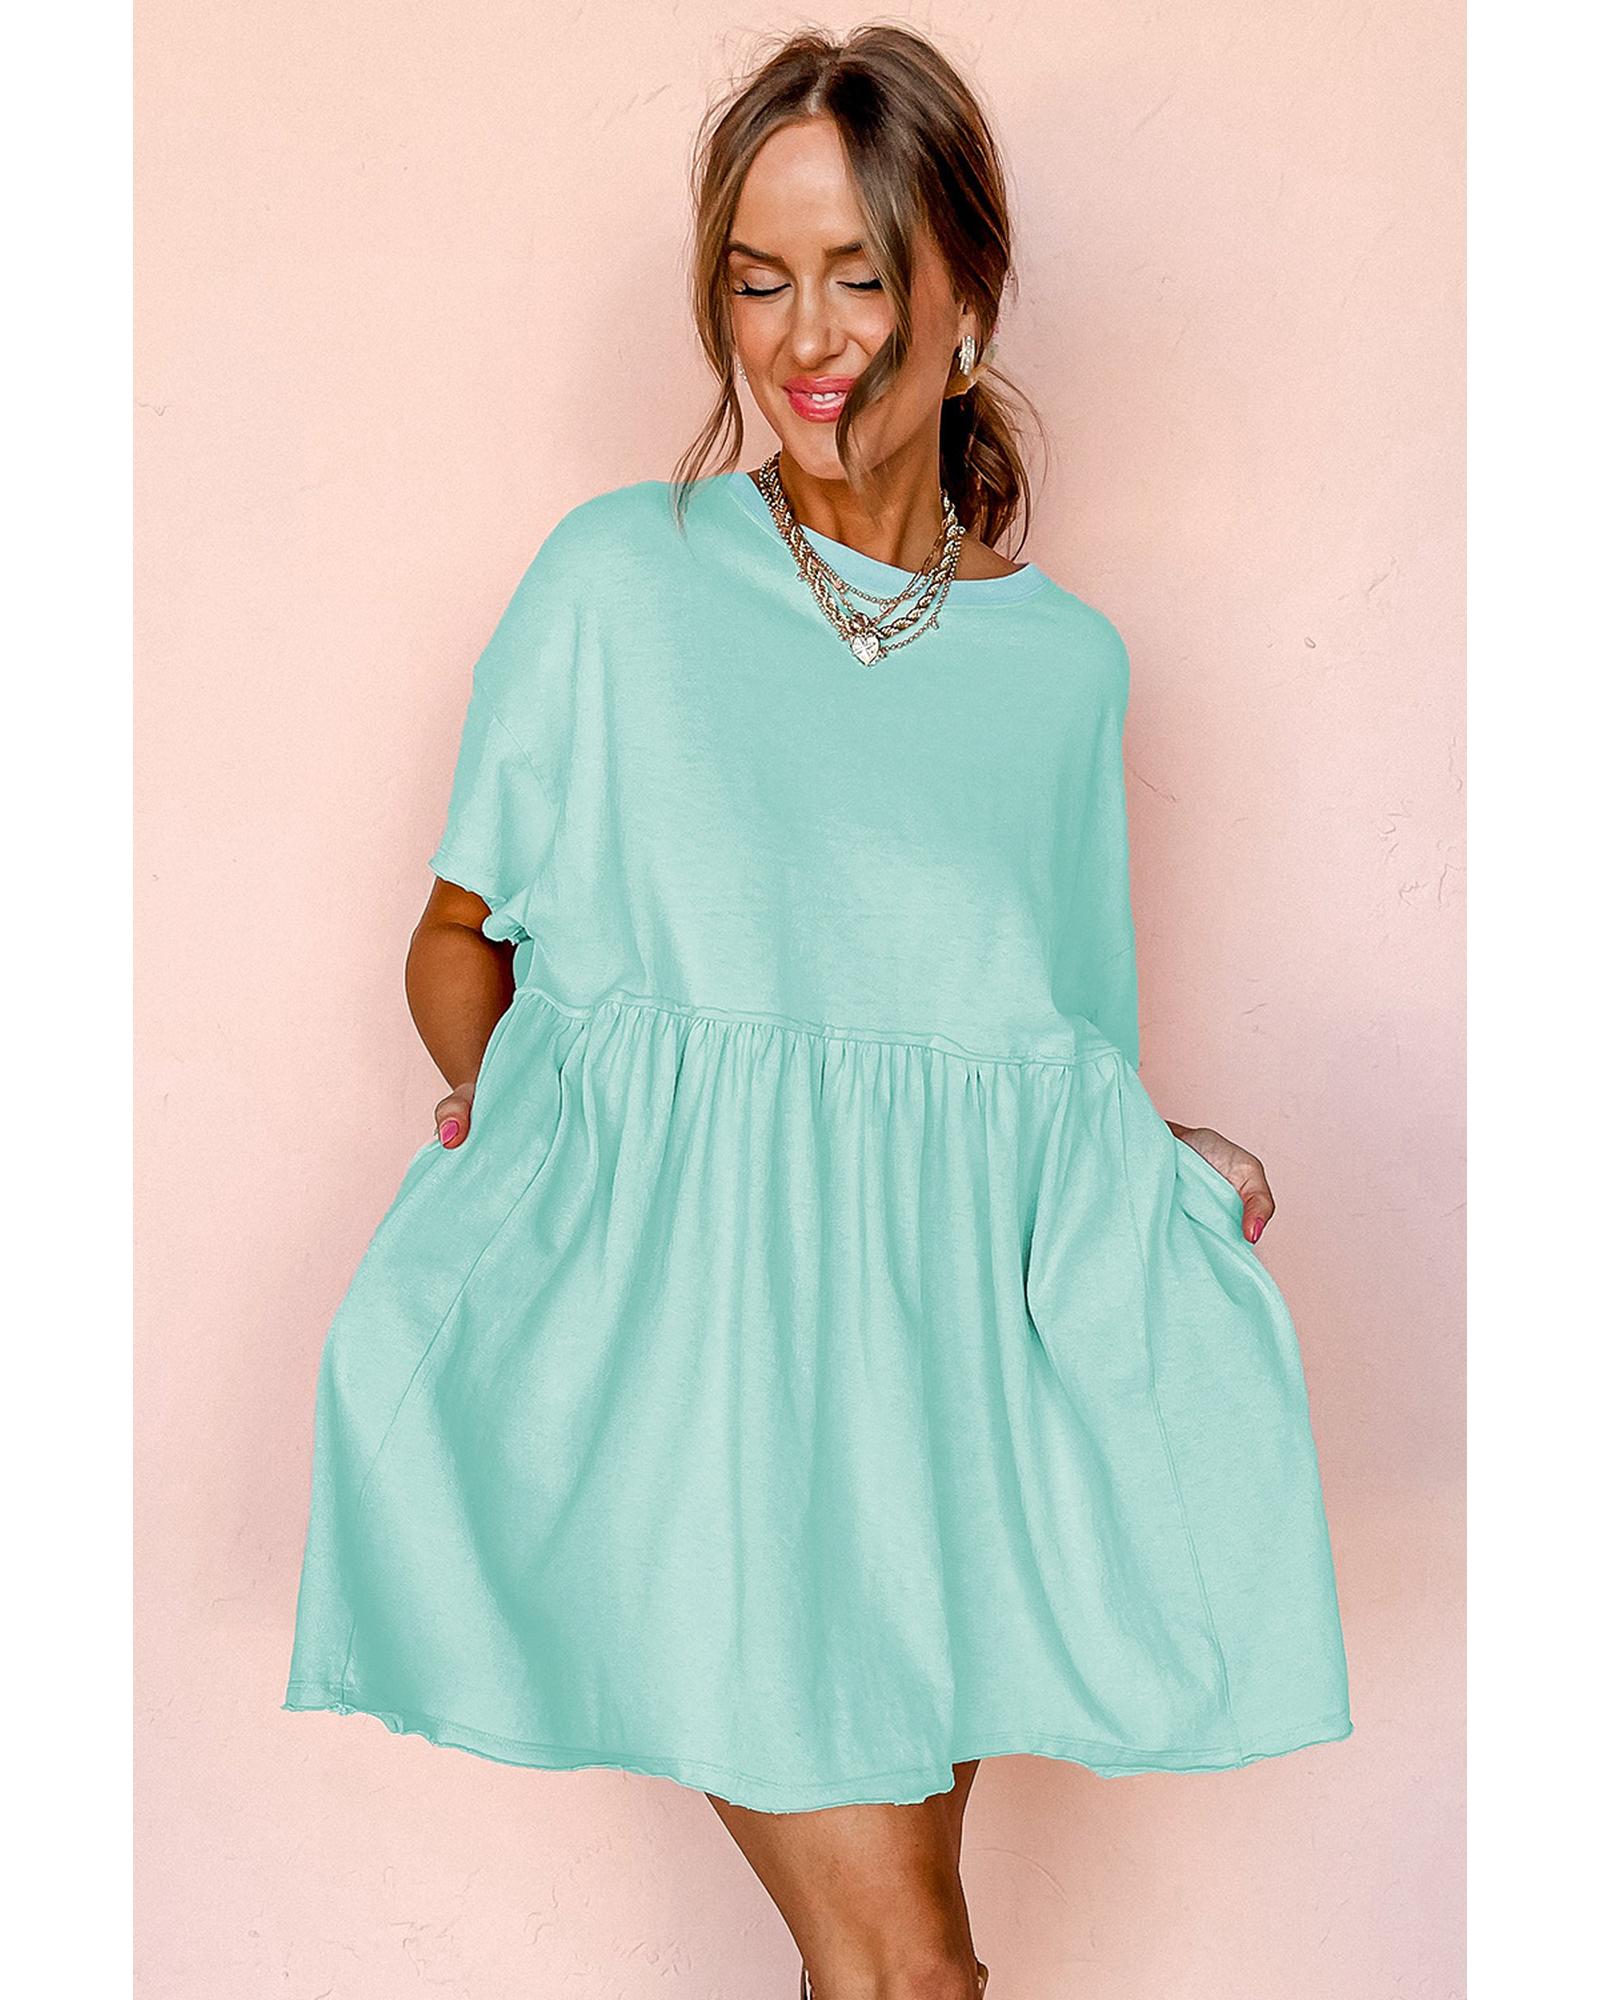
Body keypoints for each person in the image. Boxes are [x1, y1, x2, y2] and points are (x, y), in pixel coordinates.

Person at [282, 24, 1352, 1999]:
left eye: (859, 275)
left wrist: (1155, 1150)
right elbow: (454, 936)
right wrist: (523, 1118)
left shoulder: (1062, 673)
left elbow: (1027, 1055)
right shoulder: (620, 582)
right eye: (757, 280)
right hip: (702, 1364)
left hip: (935, 1390)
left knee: (882, 1969)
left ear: (967, 289)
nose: (807, 338)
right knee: (908, 1962)